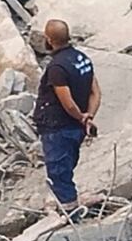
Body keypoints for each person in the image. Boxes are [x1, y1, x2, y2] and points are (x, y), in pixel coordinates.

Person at [33, 19, 100, 215]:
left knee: (58, 172)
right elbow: (95, 92)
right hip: (75, 128)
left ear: (49, 39)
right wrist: (88, 117)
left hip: (58, 127)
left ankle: (71, 215)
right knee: (66, 168)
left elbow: (68, 102)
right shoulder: (82, 59)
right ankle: (68, 205)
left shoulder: (57, 68)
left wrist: (80, 117)